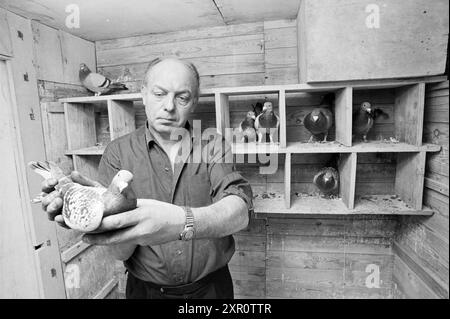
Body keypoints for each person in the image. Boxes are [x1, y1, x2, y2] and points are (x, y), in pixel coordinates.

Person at [40, 57, 254, 299]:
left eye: (182, 97)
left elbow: (240, 213)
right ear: (143, 95)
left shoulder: (213, 145)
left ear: (193, 103)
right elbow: (120, 253)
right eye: (159, 93)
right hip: (145, 292)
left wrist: (181, 222)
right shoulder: (117, 152)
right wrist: (97, 211)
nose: (169, 106)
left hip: (211, 290)